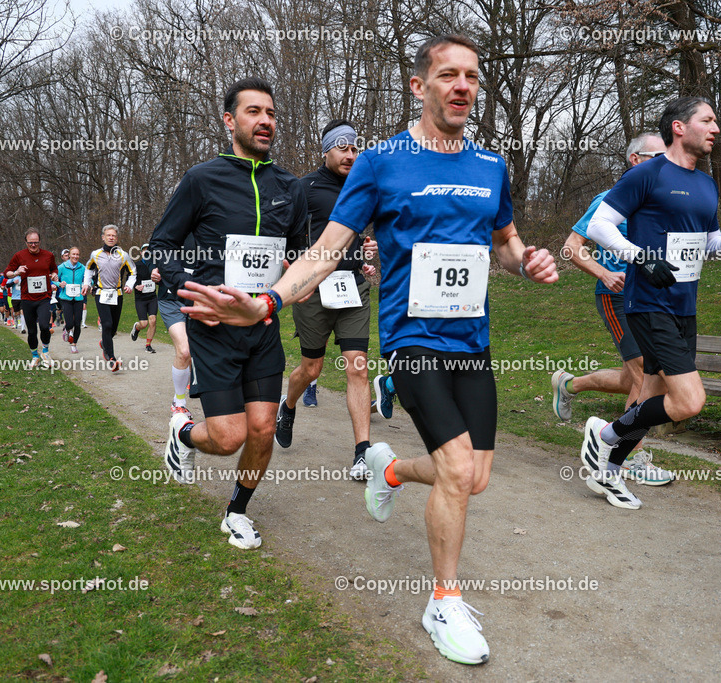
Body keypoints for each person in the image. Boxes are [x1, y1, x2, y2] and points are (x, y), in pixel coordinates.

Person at [180, 36, 558, 665]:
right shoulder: (381, 163)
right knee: (457, 469)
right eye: (448, 75)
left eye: (471, 76)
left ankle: (390, 471)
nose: (462, 86)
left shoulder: (491, 166)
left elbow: (506, 242)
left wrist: (527, 262)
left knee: (474, 477)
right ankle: (443, 602)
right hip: (413, 339)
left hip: (474, 341)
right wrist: (268, 302)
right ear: (420, 86)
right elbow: (326, 250)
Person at [149, 77, 309, 550]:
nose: (265, 121)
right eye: (254, 112)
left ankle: (236, 512)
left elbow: (299, 255)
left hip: (262, 325)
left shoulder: (290, 187)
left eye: (271, 113)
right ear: (229, 120)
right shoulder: (202, 179)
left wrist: (296, 276)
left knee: (262, 428)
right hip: (214, 328)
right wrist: (191, 289)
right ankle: (183, 433)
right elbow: (161, 246)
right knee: (227, 438)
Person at [582, 96, 721, 509]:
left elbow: (706, 243)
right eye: (707, 120)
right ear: (679, 126)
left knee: (650, 396)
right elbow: (599, 225)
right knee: (689, 402)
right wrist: (640, 257)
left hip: (685, 307)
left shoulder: (706, 183)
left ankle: (608, 471)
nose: (715, 129)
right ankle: (605, 434)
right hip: (649, 303)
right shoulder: (648, 173)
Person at [555, 133, 675, 486]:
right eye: (658, 156)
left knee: (630, 379)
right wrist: (604, 274)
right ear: (635, 159)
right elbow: (572, 247)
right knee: (643, 375)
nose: (666, 164)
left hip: (652, 299)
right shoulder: (609, 200)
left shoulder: (660, 203)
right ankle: (630, 457)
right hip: (618, 296)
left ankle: (568, 384)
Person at [273, 119, 378, 480]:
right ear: (326, 151)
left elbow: (357, 236)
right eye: (342, 148)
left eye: (354, 148)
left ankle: (362, 453)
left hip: (353, 288)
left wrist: (365, 251)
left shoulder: (363, 188)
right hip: (314, 291)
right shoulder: (304, 188)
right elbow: (284, 237)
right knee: (312, 369)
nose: (350, 155)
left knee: (357, 366)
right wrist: (293, 278)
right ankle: (288, 405)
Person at [149, 232, 197, 419]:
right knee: (184, 350)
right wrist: (153, 269)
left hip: (198, 297)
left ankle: (192, 378)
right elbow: (153, 254)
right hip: (171, 300)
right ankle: (179, 402)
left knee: (197, 349)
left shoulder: (210, 227)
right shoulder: (173, 227)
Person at [82, 224, 136, 373]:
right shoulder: (95, 254)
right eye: (108, 235)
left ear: (117, 238)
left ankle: (104, 342)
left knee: (113, 329)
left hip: (117, 294)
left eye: (113, 235)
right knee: (107, 324)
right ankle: (111, 358)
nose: (111, 238)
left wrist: (129, 285)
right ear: (103, 237)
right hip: (101, 293)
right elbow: (88, 269)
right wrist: (86, 284)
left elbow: (133, 271)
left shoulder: (123, 255)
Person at [4, 229, 59, 369]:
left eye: (36, 242)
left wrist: (54, 275)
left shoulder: (48, 255)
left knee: (45, 326)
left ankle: (45, 352)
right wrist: (16, 272)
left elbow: (54, 269)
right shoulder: (19, 256)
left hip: (44, 297)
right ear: (26, 242)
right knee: (32, 330)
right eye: (30, 243)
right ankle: (35, 356)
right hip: (27, 298)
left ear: (40, 242)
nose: (33, 245)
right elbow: (7, 273)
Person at [130, 243, 158, 353]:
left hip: (152, 297)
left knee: (153, 320)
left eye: (148, 251)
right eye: (144, 251)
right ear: (141, 253)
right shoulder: (136, 265)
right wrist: (136, 286)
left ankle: (148, 345)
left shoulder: (155, 265)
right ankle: (137, 327)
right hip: (141, 298)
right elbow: (130, 279)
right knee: (144, 323)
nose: (146, 253)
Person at [58, 246, 86, 353]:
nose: (75, 256)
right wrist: (59, 284)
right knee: (69, 323)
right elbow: (54, 279)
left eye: (77, 254)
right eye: (73, 254)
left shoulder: (82, 268)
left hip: (78, 297)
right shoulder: (62, 267)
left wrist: (85, 285)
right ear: (69, 255)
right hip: (66, 298)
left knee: (77, 323)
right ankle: (67, 329)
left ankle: (74, 344)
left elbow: (88, 280)